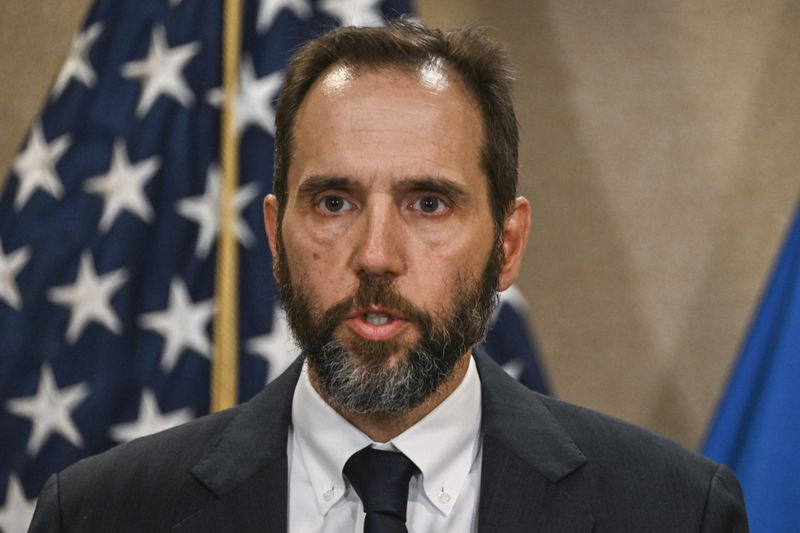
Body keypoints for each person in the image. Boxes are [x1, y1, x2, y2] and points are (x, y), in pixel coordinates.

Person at [28, 21, 748, 532]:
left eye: (428, 203)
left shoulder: (674, 511)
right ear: (277, 237)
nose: (376, 254)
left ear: (508, 242)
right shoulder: (98, 514)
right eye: (334, 201)